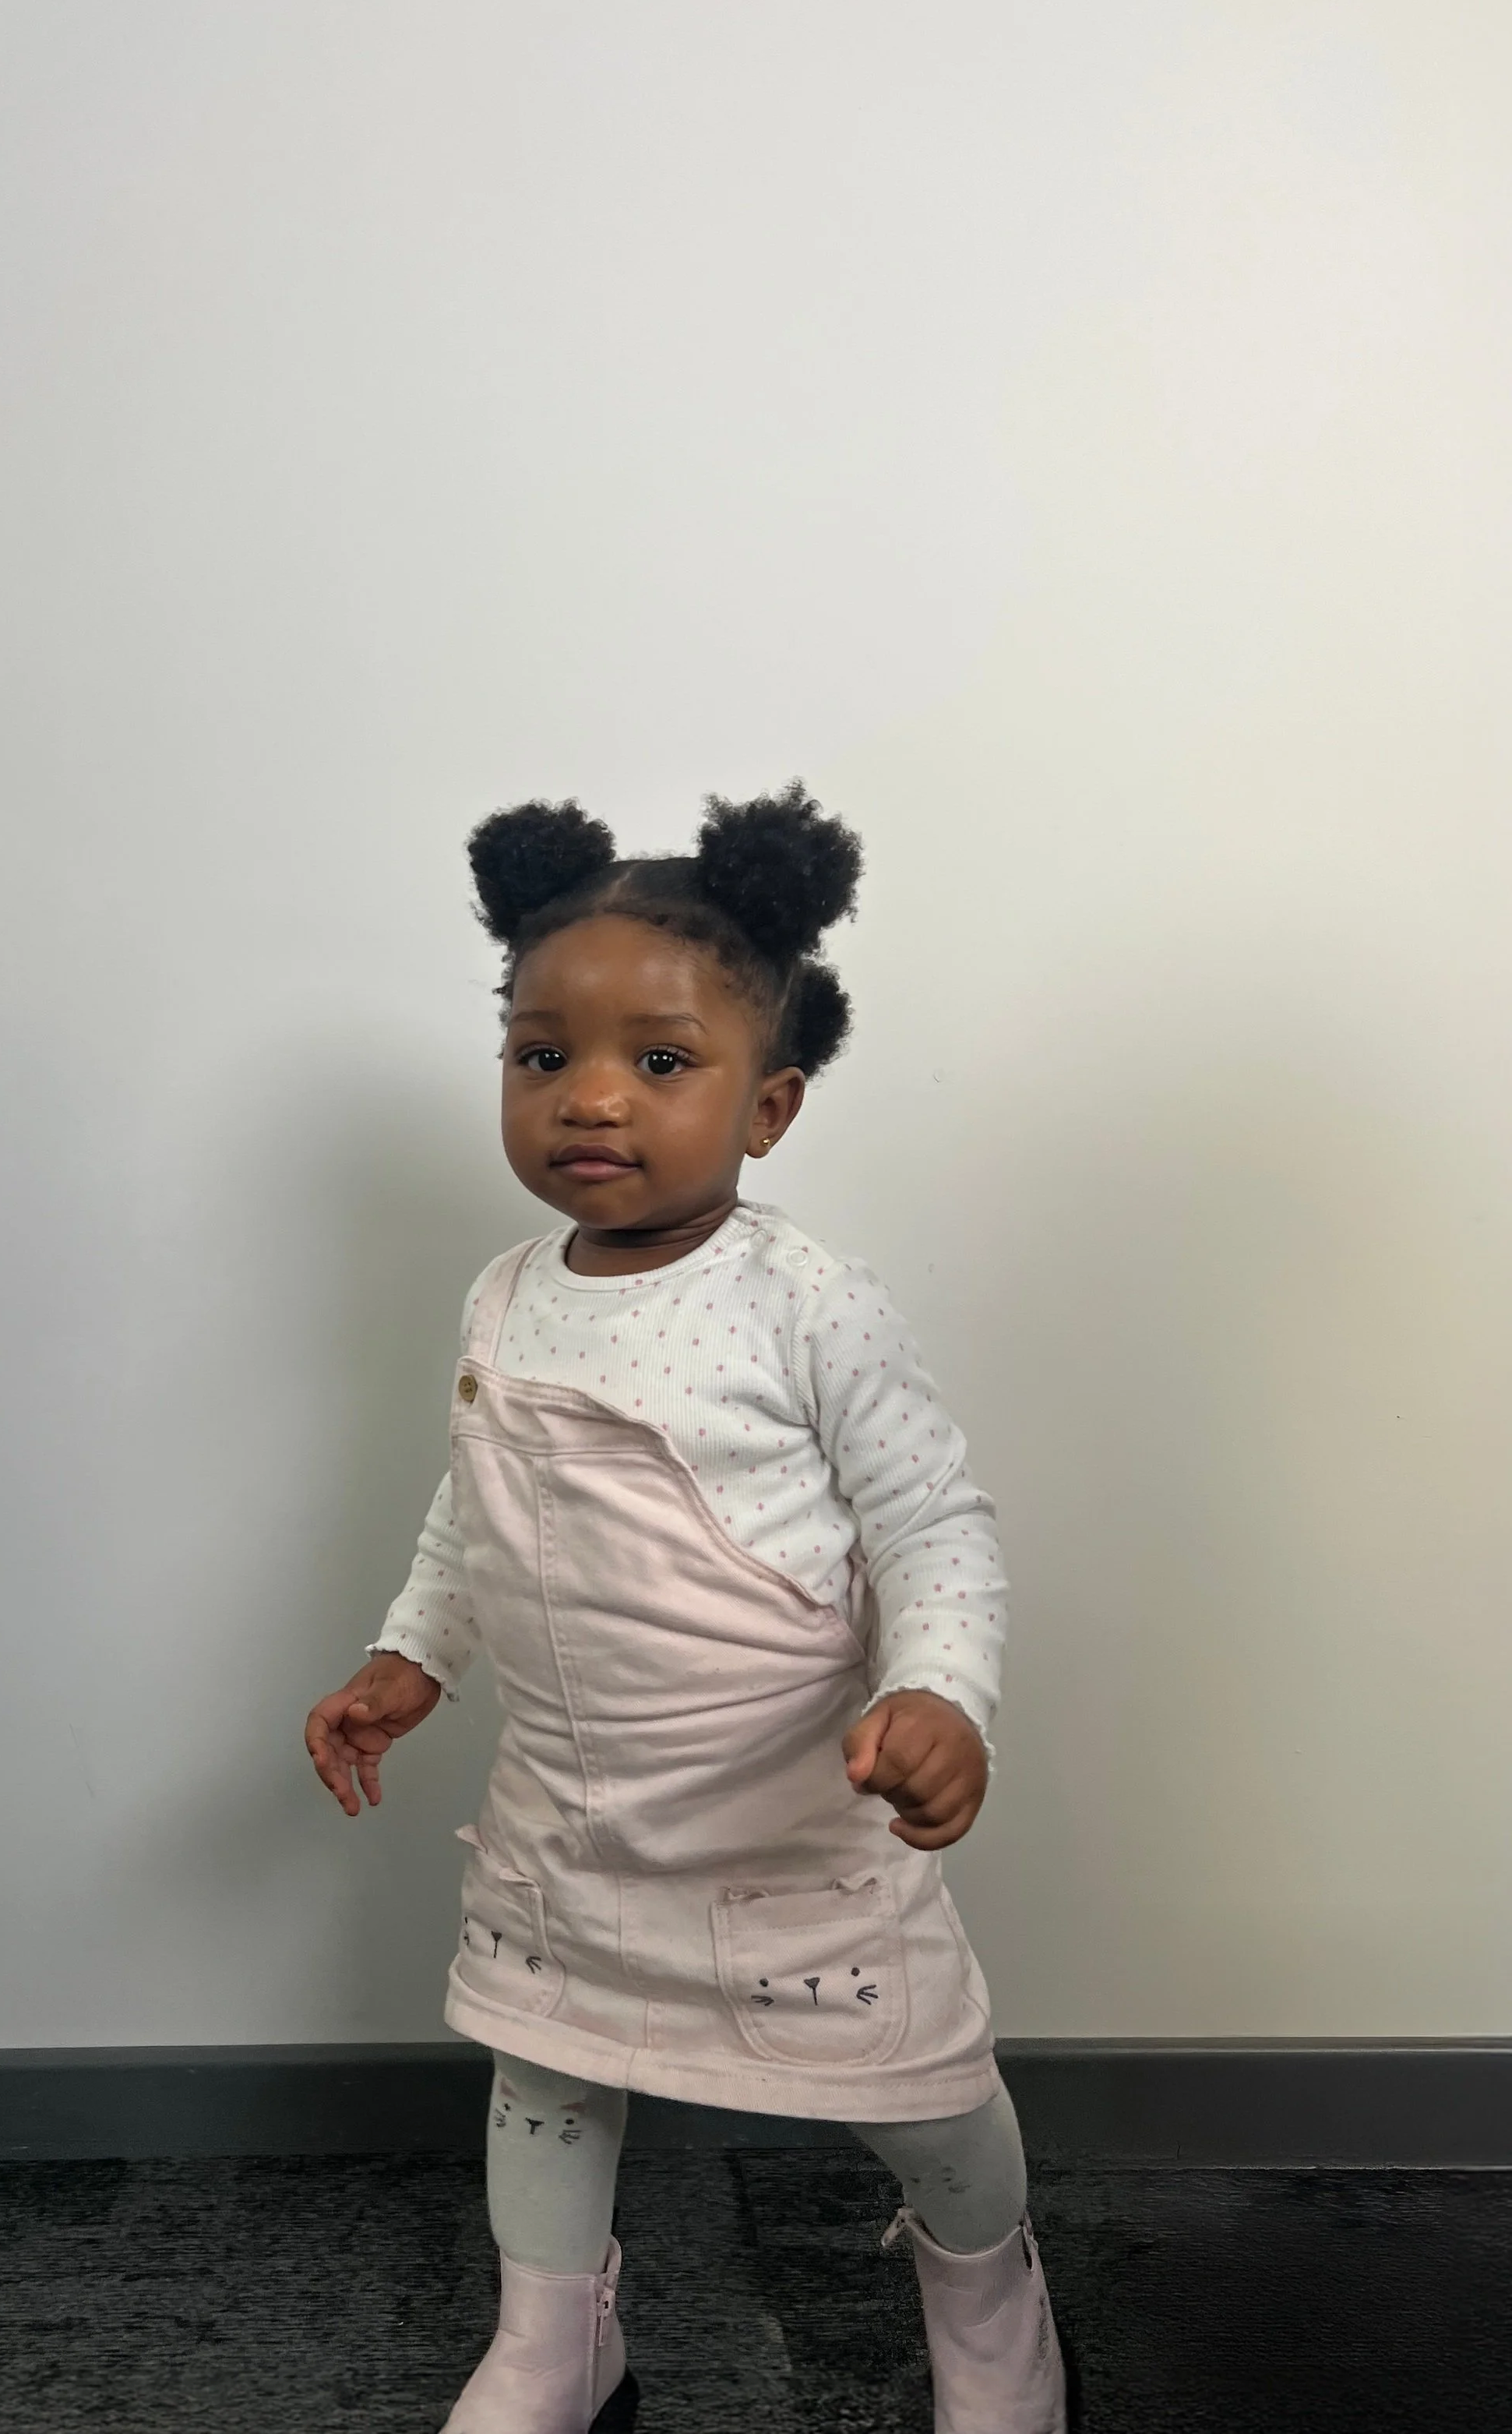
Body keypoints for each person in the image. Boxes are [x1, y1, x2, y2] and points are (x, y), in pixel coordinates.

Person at [304, 785, 1075, 2433]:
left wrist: (942, 1690)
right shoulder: (503, 1297)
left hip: (788, 1812)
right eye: (538, 1053)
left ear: (770, 1103)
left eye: (659, 1061)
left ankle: (989, 2288)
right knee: (545, 2061)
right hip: (573, 1811)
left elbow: (929, 1517)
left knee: (920, 2083)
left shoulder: (801, 1301)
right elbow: (475, 1500)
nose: (590, 1095)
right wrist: (408, 1652)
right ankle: (553, 2336)